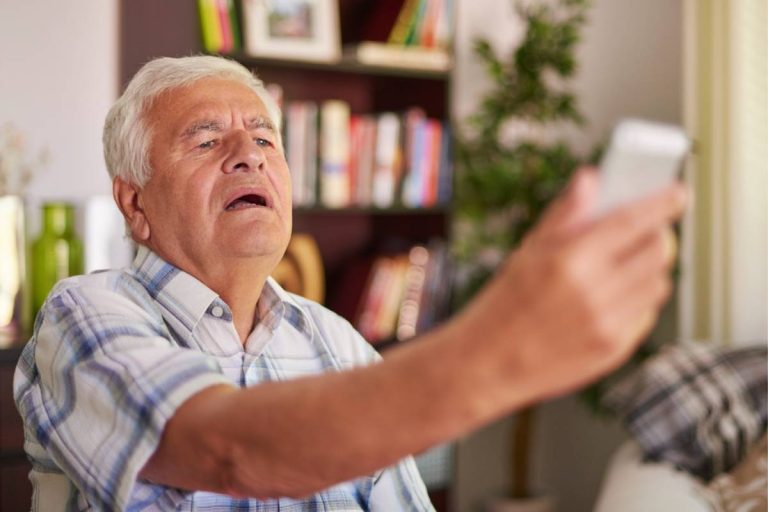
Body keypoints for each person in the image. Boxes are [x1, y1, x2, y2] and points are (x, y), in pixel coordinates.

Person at [14, 55, 686, 511]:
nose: (248, 153)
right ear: (134, 205)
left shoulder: (335, 343)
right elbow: (225, 451)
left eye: (264, 138)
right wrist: (500, 347)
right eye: (206, 140)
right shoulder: (85, 314)